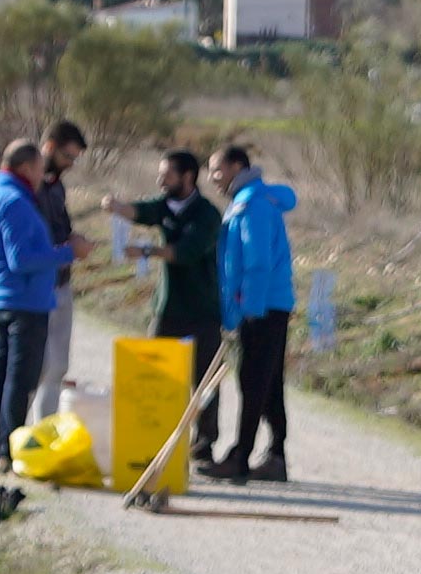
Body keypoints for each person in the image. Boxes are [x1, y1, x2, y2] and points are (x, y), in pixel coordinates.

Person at [121, 146, 228, 478]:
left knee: (204, 383)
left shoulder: (208, 215)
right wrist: (115, 207)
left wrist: (147, 250)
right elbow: (142, 211)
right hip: (167, 310)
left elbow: (185, 252)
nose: (160, 180)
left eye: (166, 175)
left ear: (187, 177)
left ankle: (203, 445)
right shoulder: (164, 205)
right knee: (156, 378)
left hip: (203, 310)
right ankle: (156, 442)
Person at [211, 141, 299, 485]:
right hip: (264, 305)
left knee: (253, 381)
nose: (213, 177)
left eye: (217, 169)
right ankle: (275, 456)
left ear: (236, 168)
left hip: (263, 307)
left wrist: (248, 309)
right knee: (267, 382)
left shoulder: (253, 207)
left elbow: (258, 262)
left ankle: (241, 457)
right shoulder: (247, 203)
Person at [0, 138, 55, 469]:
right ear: (26, 168)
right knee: (20, 379)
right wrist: (67, 252)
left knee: (1, 375)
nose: (41, 175)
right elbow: (21, 259)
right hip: (26, 303)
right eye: (39, 168)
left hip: (3, 298)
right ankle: (11, 450)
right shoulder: (16, 202)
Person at [31, 120, 90, 421]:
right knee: (34, 366)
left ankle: (45, 429)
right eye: (68, 156)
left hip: (62, 281)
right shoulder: (31, 187)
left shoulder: (57, 187)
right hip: (39, 286)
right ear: (50, 147)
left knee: (57, 365)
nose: (70, 164)